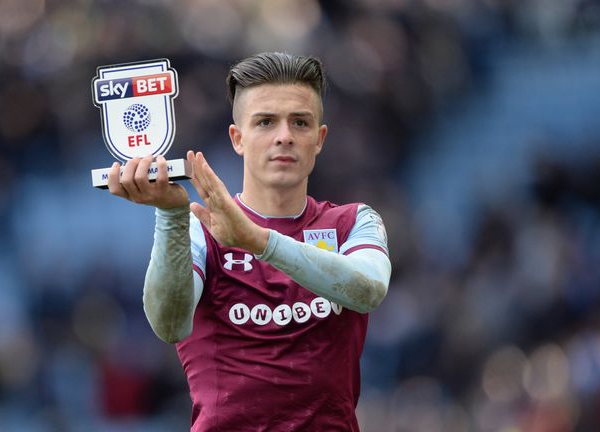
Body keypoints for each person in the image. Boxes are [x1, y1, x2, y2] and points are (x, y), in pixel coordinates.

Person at [107, 52, 391, 431]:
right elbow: (168, 324)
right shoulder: (199, 229)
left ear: (319, 139)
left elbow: (368, 289)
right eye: (265, 122)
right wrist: (170, 216)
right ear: (238, 138)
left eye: (300, 122)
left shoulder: (354, 221)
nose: (284, 135)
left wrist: (256, 240)